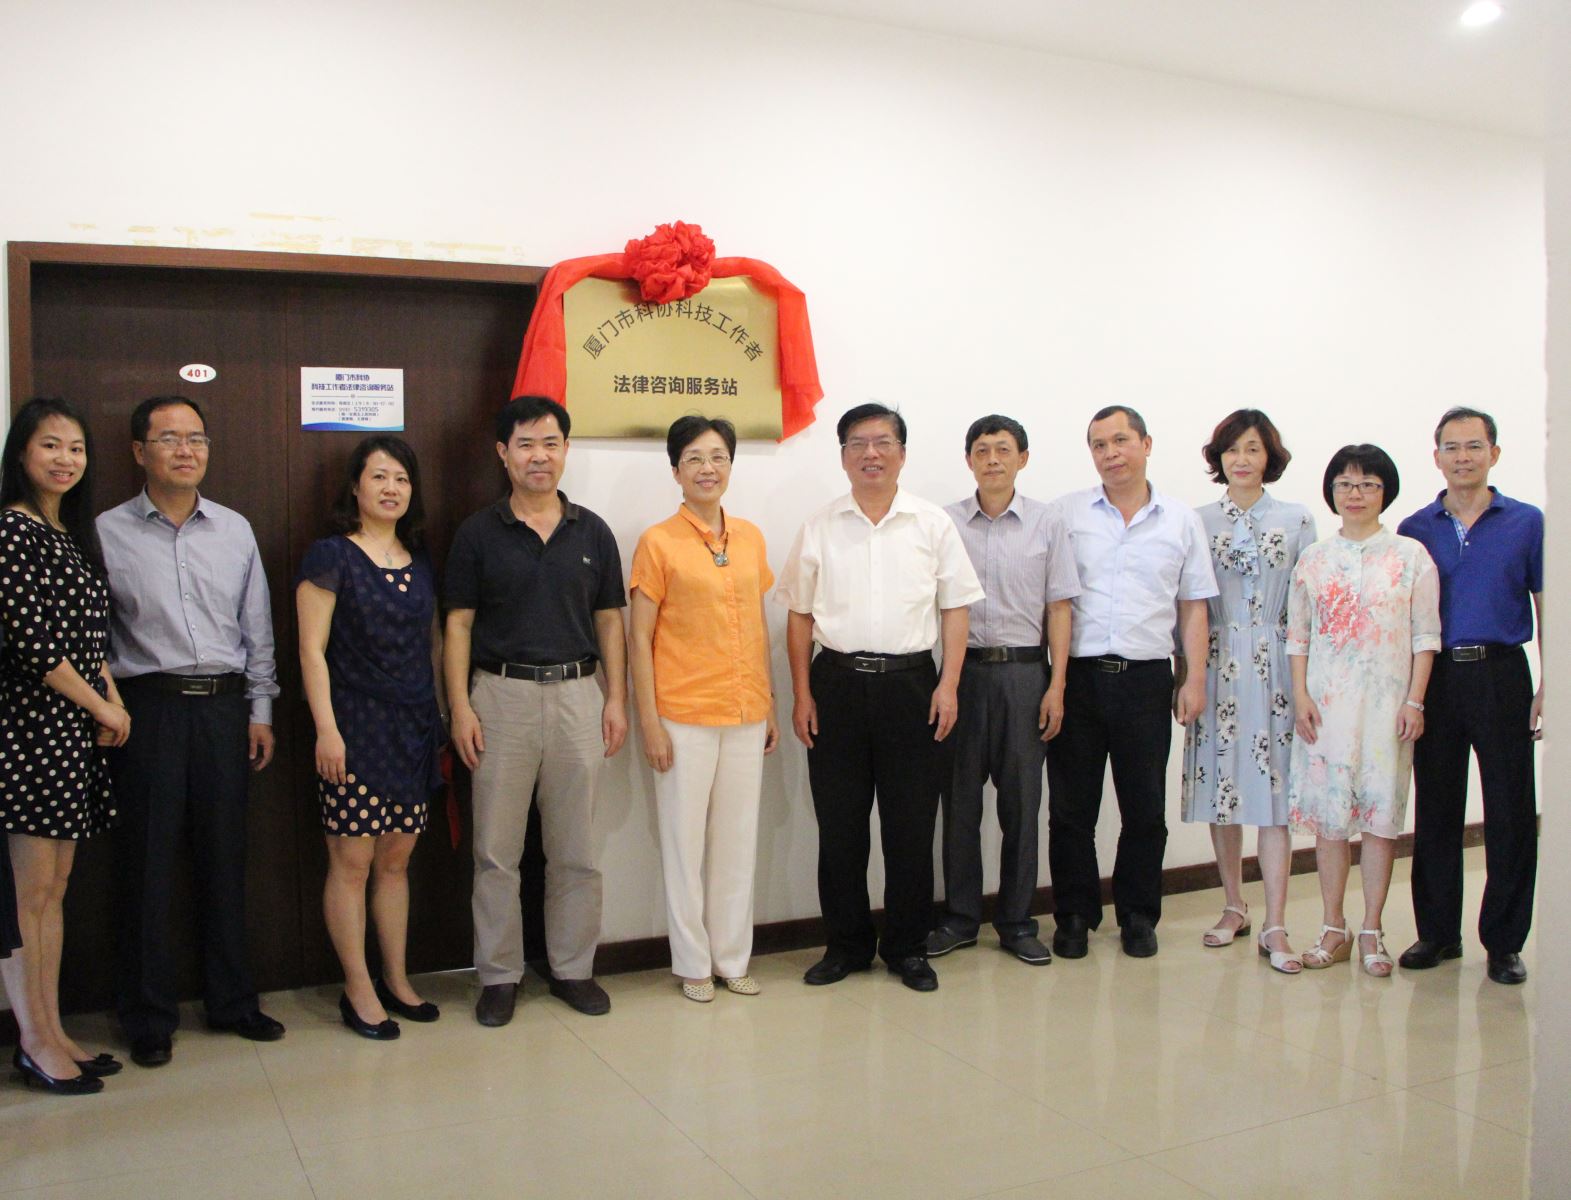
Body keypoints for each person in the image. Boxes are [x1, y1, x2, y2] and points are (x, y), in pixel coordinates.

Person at [98, 395, 284, 1068]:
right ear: (138, 451)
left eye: (197, 438)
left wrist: (260, 711)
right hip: (146, 712)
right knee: (145, 868)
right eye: (170, 438)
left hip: (224, 711)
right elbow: (94, 636)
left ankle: (232, 1002)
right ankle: (148, 1018)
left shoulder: (234, 529)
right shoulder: (106, 531)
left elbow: (256, 627)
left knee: (224, 861)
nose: (186, 450)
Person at [776, 403, 983, 992]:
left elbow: (955, 608)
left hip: (912, 686)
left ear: (902, 453)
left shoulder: (932, 524)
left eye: (883, 442)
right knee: (840, 827)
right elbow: (798, 615)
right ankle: (845, 946)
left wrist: (948, 685)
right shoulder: (820, 526)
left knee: (910, 827)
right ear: (843, 456)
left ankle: (907, 947)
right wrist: (802, 694)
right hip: (836, 685)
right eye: (857, 443)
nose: (871, 453)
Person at [445, 396, 628, 1026]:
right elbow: (457, 625)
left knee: (577, 849)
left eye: (550, 443)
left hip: (579, 695)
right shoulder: (477, 533)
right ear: (503, 453)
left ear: (566, 450)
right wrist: (460, 707)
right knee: (496, 852)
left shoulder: (592, 531)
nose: (539, 456)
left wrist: (616, 698)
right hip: (500, 698)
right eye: (525, 444)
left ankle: (573, 968)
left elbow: (610, 622)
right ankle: (499, 975)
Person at [1047, 405, 1217, 959]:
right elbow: (1052, 600)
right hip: (1078, 678)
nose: (1110, 453)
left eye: (1120, 440)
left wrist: (1193, 678)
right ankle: (1074, 915)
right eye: (1099, 445)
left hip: (1146, 681)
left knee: (1144, 809)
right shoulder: (1067, 514)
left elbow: (1193, 606)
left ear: (1146, 444)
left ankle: (1139, 915)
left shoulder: (1180, 520)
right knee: (1071, 809)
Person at [298, 437, 446, 1039]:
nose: (391, 488)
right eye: (379, 476)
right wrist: (326, 730)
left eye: (402, 479)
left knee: (395, 861)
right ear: (355, 487)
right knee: (352, 862)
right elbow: (311, 651)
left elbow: (433, 645)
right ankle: (357, 988)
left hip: (413, 728)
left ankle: (397, 978)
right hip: (353, 728)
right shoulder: (330, 555)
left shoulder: (419, 557)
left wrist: (440, 716)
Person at [629, 416, 779, 1003]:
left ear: (731, 466)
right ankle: (693, 963)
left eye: (718, 456)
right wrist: (649, 722)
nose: (707, 468)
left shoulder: (751, 537)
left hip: (745, 712)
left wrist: (768, 705)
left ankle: (731, 958)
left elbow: (758, 627)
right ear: (675, 471)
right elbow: (638, 639)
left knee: (737, 844)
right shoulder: (658, 541)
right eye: (694, 458)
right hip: (682, 716)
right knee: (684, 845)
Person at [0, 398, 125, 1094]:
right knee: (29, 895)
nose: (65, 459)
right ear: (22, 453)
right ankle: (32, 1039)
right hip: (28, 730)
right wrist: (98, 702)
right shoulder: (12, 531)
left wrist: (112, 698)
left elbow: (89, 636)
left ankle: (52, 1029)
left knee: (55, 890)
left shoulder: (68, 535)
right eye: (50, 445)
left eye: (75, 448)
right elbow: (33, 643)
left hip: (72, 731)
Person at [926, 414, 1078, 966]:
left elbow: (1059, 607)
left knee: (1022, 805)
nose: (992, 459)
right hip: (962, 676)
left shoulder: (1047, 522)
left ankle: (1016, 921)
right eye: (982, 450)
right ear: (968, 460)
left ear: (1023, 458)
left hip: (1024, 675)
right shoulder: (944, 523)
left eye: (1004, 449)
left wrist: (1057, 685)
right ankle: (961, 918)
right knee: (960, 805)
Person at [1396, 408, 1542, 986]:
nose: (1463, 457)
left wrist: (1553, 682)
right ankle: (1438, 933)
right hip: (1435, 679)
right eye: (1451, 448)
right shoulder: (1415, 528)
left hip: (1502, 674)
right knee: (1436, 808)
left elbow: (1548, 601)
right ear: (1436, 458)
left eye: (1474, 446)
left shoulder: (1526, 522)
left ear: (1494, 454)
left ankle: (1504, 942)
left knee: (1509, 809)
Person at [1287, 445, 1440, 977]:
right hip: (1326, 708)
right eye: (1345, 484)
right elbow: (1298, 636)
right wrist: (1301, 696)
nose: (1356, 494)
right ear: (1331, 492)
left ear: (1385, 492)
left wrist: (1415, 700)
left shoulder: (1411, 556)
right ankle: (1333, 927)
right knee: (1331, 821)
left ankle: (1372, 930)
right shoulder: (1314, 559)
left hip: (1386, 709)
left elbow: (1426, 636)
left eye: (1368, 484)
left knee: (1380, 819)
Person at [1181, 410, 1317, 974]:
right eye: (1233, 449)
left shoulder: (1297, 518)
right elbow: (1188, 602)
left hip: (1278, 663)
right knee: (1224, 791)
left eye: (1253, 449)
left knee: (1275, 797)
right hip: (1215, 664)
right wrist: (1187, 674)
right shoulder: (1197, 521)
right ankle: (1234, 904)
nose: (1242, 459)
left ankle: (1276, 921)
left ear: (1269, 457)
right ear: (1219, 457)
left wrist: (1307, 683)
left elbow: (1307, 604)